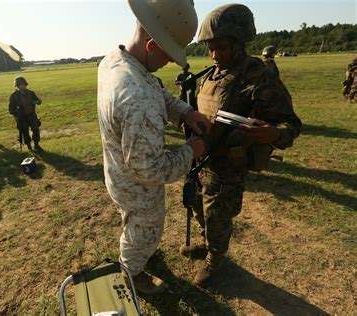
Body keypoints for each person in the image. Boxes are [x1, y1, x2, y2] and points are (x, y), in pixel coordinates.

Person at [181, 4, 302, 287]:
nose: (213, 55)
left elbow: (291, 124)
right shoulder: (211, 74)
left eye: (220, 48)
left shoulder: (259, 75)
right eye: (210, 48)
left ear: (238, 43)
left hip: (229, 165)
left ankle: (215, 257)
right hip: (201, 158)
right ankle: (205, 241)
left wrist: (272, 134)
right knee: (198, 206)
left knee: (217, 215)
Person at [97, 0, 209, 294]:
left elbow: (157, 90)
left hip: (119, 173)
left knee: (133, 224)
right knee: (142, 229)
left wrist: (185, 112)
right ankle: (132, 273)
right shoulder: (136, 98)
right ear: (150, 46)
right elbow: (150, 168)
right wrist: (191, 152)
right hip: (138, 186)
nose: (170, 62)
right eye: (168, 55)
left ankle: (139, 253)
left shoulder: (114, 60)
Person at [8, 76, 42, 150]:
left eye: (23, 84)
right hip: (22, 117)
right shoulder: (14, 96)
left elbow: (39, 101)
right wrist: (16, 117)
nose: (22, 86)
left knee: (36, 130)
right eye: (20, 85)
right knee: (25, 132)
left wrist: (36, 102)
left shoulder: (31, 93)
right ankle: (29, 147)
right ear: (17, 86)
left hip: (32, 115)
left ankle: (36, 145)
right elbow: (11, 108)